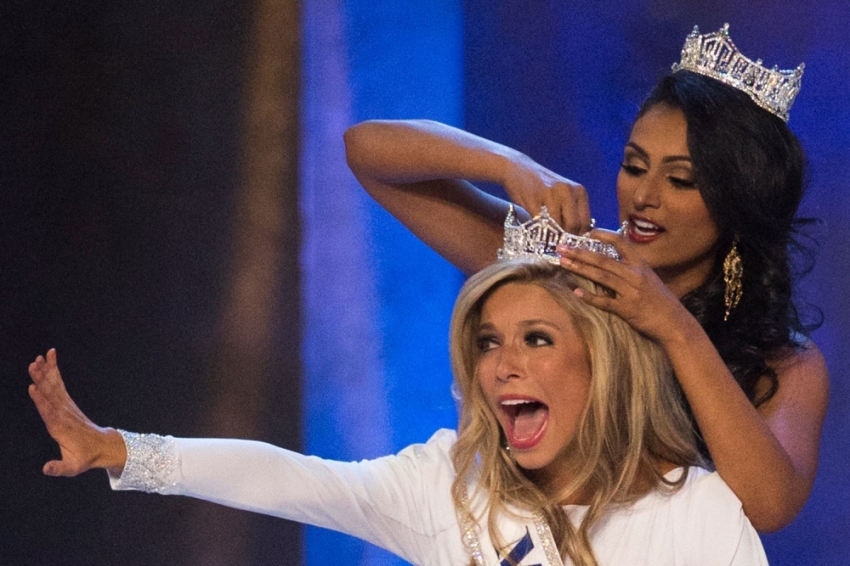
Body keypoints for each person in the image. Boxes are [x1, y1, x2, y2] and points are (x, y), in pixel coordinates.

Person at [343, 24, 829, 533]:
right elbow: (367, 150)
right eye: (634, 167)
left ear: (738, 202)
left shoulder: (783, 361)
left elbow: (768, 507)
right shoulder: (565, 270)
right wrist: (506, 163)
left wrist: (672, 324)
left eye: (680, 179)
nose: (644, 197)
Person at [29, 252, 768, 565]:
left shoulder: (697, 513)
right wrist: (121, 450)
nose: (503, 365)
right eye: (486, 343)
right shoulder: (451, 490)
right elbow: (298, 480)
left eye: (536, 339)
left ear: (602, 363)